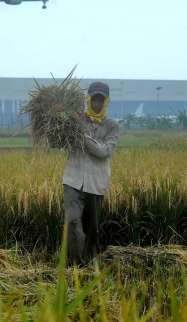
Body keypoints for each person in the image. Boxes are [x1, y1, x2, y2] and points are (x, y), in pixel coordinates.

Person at [61, 81, 119, 266]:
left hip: (96, 182)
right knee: (72, 222)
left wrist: (81, 133)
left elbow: (104, 151)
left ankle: (89, 262)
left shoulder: (111, 125)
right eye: (94, 99)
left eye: (100, 100)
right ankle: (76, 265)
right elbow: (58, 140)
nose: (96, 103)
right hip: (73, 179)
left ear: (106, 102)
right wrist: (58, 115)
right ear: (88, 99)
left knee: (91, 227)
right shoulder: (75, 120)